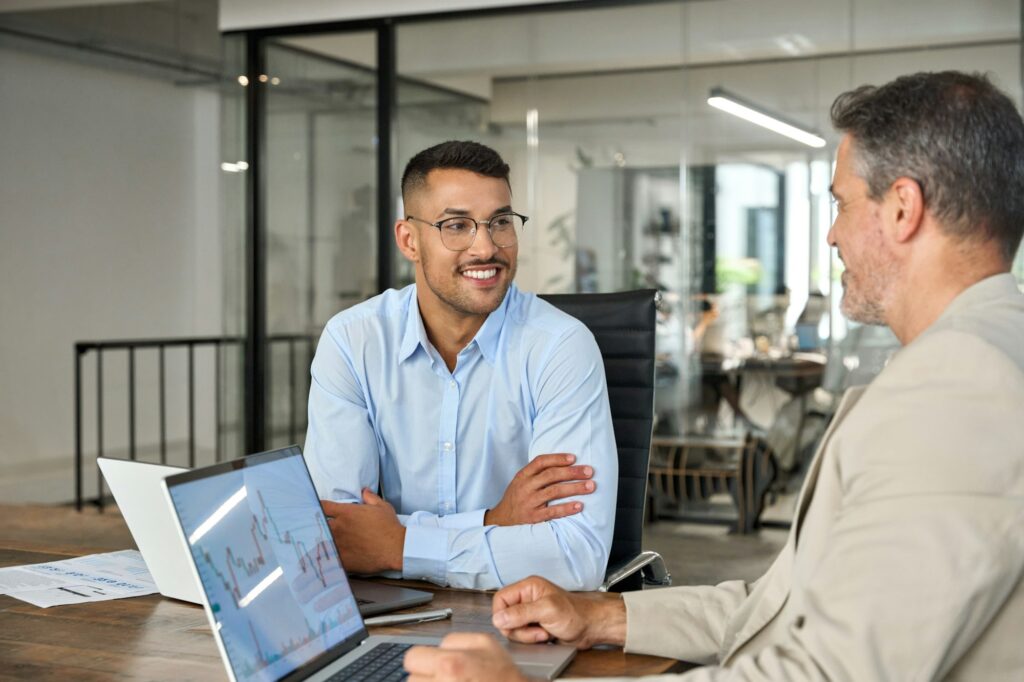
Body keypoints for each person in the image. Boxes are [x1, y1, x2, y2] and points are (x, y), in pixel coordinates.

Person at [403, 71, 1024, 680]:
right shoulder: (985, 355)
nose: (832, 234)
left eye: (840, 204)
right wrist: (602, 616)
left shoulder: (958, 387)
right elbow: (783, 608)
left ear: (903, 209)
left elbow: (830, 670)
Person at [304, 140, 617, 591]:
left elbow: (575, 555)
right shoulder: (354, 341)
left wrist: (397, 545)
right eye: (457, 225)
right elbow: (340, 533)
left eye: (501, 222)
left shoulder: (560, 347)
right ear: (409, 240)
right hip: (384, 614)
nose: (486, 247)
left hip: (522, 621)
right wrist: (495, 521)